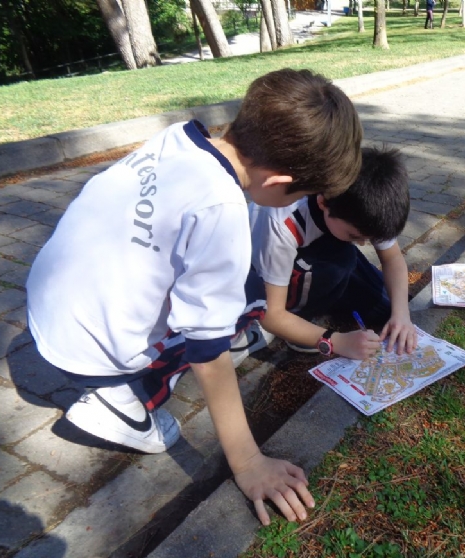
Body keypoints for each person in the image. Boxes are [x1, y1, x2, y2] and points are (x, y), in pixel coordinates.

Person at [26, 68, 363, 526]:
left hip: (50, 311)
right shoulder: (222, 211)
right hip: (90, 351)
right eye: (301, 194)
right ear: (280, 181)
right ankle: (120, 405)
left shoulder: (178, 137)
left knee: (234, 293)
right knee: (247, 304)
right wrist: (248, 463)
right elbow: (208, 352)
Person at [249, 147, 417, 362]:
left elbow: (392, 258)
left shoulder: (366, 205)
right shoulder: (282, 223)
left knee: (386, 310)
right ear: (323, 203)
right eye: (355, 235)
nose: (365, 243)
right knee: (343, 260)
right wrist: (335, 341)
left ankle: (333, 294)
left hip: (325, 246)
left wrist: (401, 314)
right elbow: (271, 314)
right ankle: (302, 317)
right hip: (260, 270)